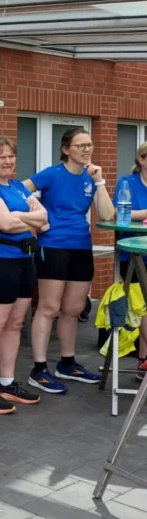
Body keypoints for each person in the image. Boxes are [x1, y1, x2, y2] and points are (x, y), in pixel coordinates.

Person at [23, 126, 115, 393]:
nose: (87, 149)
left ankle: (67, 363)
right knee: (48, 308)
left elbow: (107, 214)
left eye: (89, 145)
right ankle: (39, 370)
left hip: (81, 247)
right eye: (80, 145)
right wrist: (37, 216)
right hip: (53, 246)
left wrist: (100, 182)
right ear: (66, 149)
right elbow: (18, 191)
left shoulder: (90, 177)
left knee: (73, 309)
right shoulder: (52, 174)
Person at [0, 138, 47, 414]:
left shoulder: (17, 186)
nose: (7, 161)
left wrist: (16, 215)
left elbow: (45, 220)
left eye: (11, 156)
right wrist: (24, 218)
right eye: (1, 157)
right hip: (1, 261)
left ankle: (6, 382)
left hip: (25, 259)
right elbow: (3, 224)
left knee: (15, 324)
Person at [114, 141, 147, 372]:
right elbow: (120, 212)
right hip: (133, 254)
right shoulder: (127, 182)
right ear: (141, 160)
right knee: (141, 306)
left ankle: (144, 359)